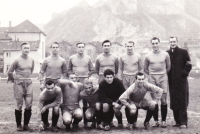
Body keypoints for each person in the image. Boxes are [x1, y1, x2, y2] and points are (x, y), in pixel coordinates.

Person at [7, 42, 34, 131]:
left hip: (29, 83)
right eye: (25, 48)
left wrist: (27, 78)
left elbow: (31, 70)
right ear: (21, 49)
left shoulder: (31, 59)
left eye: (28, 48)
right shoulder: (16, 60)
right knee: (18, 105)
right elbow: (9, 72)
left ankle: (26, 125)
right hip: (19, 83)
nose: (27, 50)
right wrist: (13, 79)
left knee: (29, 104)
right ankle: (19, 125)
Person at [144, 37, 171, 128]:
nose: (155, 45)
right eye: (153, 43)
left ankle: (163, 121)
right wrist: (152, 75)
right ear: (151, 44)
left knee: (163, 100)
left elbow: (168, 67)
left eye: (156, 43)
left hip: (163, 77)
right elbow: (145, 69)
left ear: (159, 43)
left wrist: (162, 74)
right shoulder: (148, 56)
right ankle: (156, 121)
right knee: (154, 101)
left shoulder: (165, 54)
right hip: (152, 78)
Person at [166, 37, 192, 129]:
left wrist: (184, 73)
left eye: (174, 41)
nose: (172, 43)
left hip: (181, 80)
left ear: (177, 42)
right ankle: (177, 121)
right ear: (169, 43)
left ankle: (183, 122)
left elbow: (189, 63)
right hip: (171, 80)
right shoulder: (167, 53)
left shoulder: (183, 52)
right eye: (171, 42)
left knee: (182, 100)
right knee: (174, 100)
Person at [68, 42, 95, 126]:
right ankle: (74, 119)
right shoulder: (72, 58)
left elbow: (92, 69)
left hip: (85, 81)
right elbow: (68, 70)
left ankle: (86, 122)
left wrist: (87, 76)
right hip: (76, 81)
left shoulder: (88, 58)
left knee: (86, 101)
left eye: (82, 47)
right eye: (79, 47)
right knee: (75, 99)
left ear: (84, 48)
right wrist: (73, 76)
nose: (81, 48)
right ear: (76, 48)